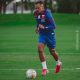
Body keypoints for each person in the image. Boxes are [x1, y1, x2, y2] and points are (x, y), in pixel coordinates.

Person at [34, 1, 62, 76]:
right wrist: (37, 28)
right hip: (42, 35)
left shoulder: (47, 13)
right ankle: (45, 69)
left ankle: (58, 62)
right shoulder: (36, 13)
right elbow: (38, 22)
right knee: (40, 49)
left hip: (50, 35)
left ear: (42, 5)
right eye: (36, 8)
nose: (37, 9)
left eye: (38, 8)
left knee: (52, 51)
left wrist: (45, 27)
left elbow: (54, 26)